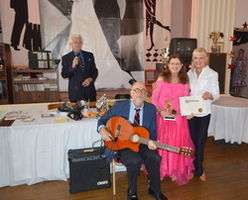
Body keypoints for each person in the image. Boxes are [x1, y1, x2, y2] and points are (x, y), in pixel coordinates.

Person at [98, 81, 167, 200]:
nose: (139, 93)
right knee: (134, 161)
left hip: (143, 143)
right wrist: (102, 130)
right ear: (131, 93)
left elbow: (153, 131)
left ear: (146, 94)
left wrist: (151, 141)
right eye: (136, 90)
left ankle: (154, 190)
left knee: (155, 157)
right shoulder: (119, 106)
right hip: (123, 144)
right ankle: (132, 191)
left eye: (143, 91)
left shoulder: (151, 109)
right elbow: (102, 120)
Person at [151, 54, 195, 185]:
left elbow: (186, 100)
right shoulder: (161, 78)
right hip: (163, 118)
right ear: (167, 65)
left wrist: (189, 113)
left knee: (177, 144)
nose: (175, 66)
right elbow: (154, 99)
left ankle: (175, 170)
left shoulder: (185, 80)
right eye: (172, 63)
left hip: (179, 119)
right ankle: (162, 169)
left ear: (182, 66)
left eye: (177, 64)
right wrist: (161, 111)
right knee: (163, 143)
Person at [187, 48, 220, 181]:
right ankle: (191, 166)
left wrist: (210, 95)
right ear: (193, 59)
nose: (198, 60)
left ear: (206, 59)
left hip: (204, 113)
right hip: (190, 113)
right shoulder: (189, 73)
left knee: (200, 142)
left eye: (201, 57)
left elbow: (217, 94)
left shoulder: (212, 74)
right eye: (195, 58)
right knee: (191, 142)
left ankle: (199, 170)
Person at [61, 34, 98, 102]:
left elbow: (95, 71)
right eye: (75, 42)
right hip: (75, 93)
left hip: (89, 91)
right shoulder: (66, 58)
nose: (77, 44)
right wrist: (72, 66)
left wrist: (91, 79)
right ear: (71, 44)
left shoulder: (89, 55)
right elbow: (64, 74)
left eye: (79, 42)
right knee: (76, 112)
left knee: (92, 112)